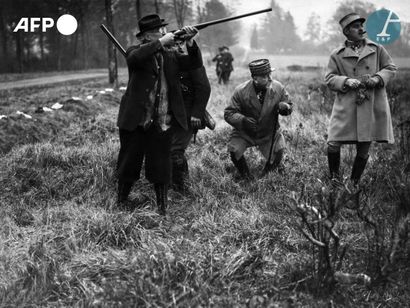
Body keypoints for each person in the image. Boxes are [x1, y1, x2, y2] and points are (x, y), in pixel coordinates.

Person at [116, 14, 202, 215]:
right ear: (145, 36)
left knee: (161, 166)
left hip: (162, 120)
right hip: (136, 119)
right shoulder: (135, 51)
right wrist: (161, 42)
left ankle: (162, 208)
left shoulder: (170, 54)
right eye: (158, 31)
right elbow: (133, 59)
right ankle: (121, 201)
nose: (164, 33)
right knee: (129, 162)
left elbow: (193, 65)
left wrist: (190, 41)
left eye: (164, 30)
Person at [325, 13, 397, 187]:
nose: (361, 29)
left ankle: (353, 183)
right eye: (356, 26)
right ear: (347, 31)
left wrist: (378, 78)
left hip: (370, 104)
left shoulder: (377, 48)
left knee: (364, 145)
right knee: (333, 143)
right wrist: (346, 81)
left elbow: (390, 68)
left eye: (361, 26)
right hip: (347, 105)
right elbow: (329, 78)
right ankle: (334, 181)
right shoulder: (337, 54)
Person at [224, 59, 293, 178]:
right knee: (234, 150)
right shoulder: (240, 91)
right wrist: (243, 120)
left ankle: (266, 174)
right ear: (255, 78)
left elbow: (289, 105)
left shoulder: (278, 87)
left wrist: (285, 108)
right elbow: (229, 113)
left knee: (279, 150)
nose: (270, 78)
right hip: (245, 132)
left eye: (270, 74)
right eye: (266, 76)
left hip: (269, 132)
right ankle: (246, 176)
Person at [170, 40, 211, 192]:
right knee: (169, 150)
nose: (178, 47)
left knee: (175, 151)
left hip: (188, 116)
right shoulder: (167, 62)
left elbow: (204, 88)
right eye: (174, 44)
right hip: (170, 115)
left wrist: (197, 114)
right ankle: (172, 183)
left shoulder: (192, 63)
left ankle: (181, 187)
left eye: (181, 44)